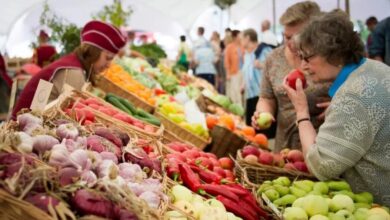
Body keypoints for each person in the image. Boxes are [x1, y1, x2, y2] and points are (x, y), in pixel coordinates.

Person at [284, 10, 390, 206]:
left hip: (379, 206)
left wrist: (301, 111)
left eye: (308, 58)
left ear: (335, 54)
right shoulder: (375, 69)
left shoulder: (352, 96)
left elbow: (320, 166)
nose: (303, 66)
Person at [251, 1, 331, 151]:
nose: (290, 43)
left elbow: (356, 87)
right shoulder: (273, 58)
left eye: (296, 37)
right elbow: (266, 97)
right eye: (286, 37)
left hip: (324, 148)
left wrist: (340, 106)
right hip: (284, 148)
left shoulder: (329, 58)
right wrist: (263, 112)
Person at [12, 20, 126, 118]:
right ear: (93, 52)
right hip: (22, 132)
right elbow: (74, 116)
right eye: (108, 58)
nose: (108, 65)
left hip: (29, 123)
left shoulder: (71, 64)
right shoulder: (72, 72)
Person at [241, 29, 272, 125]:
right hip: (250, 95)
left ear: (247, 38)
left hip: (262, 96)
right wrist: (243, 84)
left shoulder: (264, 50)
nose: (241, 41)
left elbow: (274, 67)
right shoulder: (247, 54)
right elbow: (247, 72)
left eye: (242, 38)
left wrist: (262, 65)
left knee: (262, 129)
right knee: (251, 126)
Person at [224, 30, 243, 106]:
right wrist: (228, 73)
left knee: (241, 93)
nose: (241, 37)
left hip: (242, 73)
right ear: (235, 37)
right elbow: (227, 62)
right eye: (239, 35)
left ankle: (242, 110)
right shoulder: (229, 47)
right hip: (234, 73)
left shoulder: (242, 46)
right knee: (235, 93)